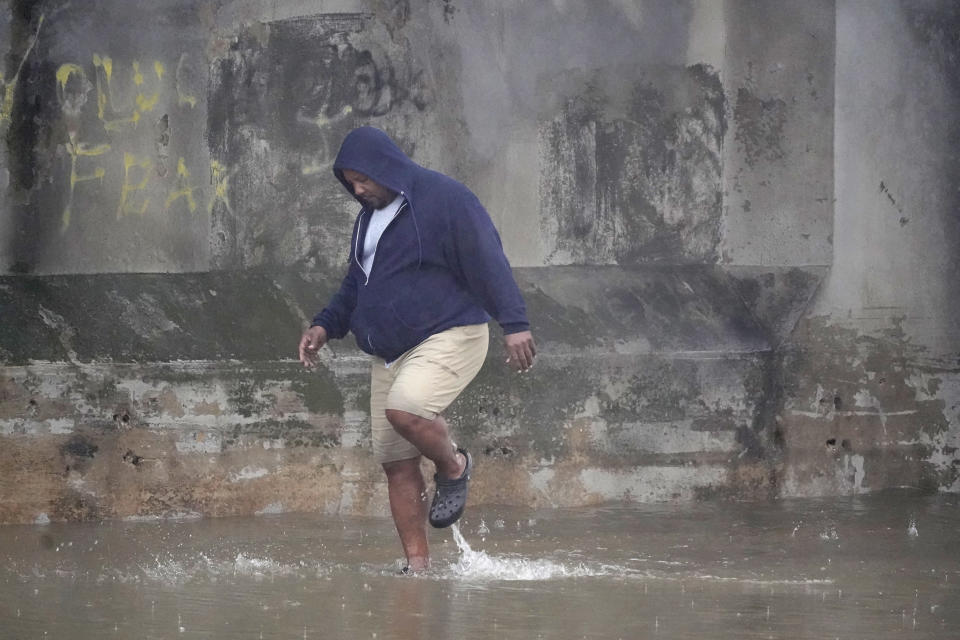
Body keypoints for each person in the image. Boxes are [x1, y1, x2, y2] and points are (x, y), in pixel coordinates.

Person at [298, 126, 536, 572]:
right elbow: (356, 282)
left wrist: (515, 323)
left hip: (450, 333)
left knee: (405, 410)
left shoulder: (446, 199)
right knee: (395, 462)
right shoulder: (368, 216)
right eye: (349, 182)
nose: (357, 189)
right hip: (389, 352)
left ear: (385, 166)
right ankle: (417, 568)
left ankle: (454, 466)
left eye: (363, 179)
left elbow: (488, 259)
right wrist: (324, 325)